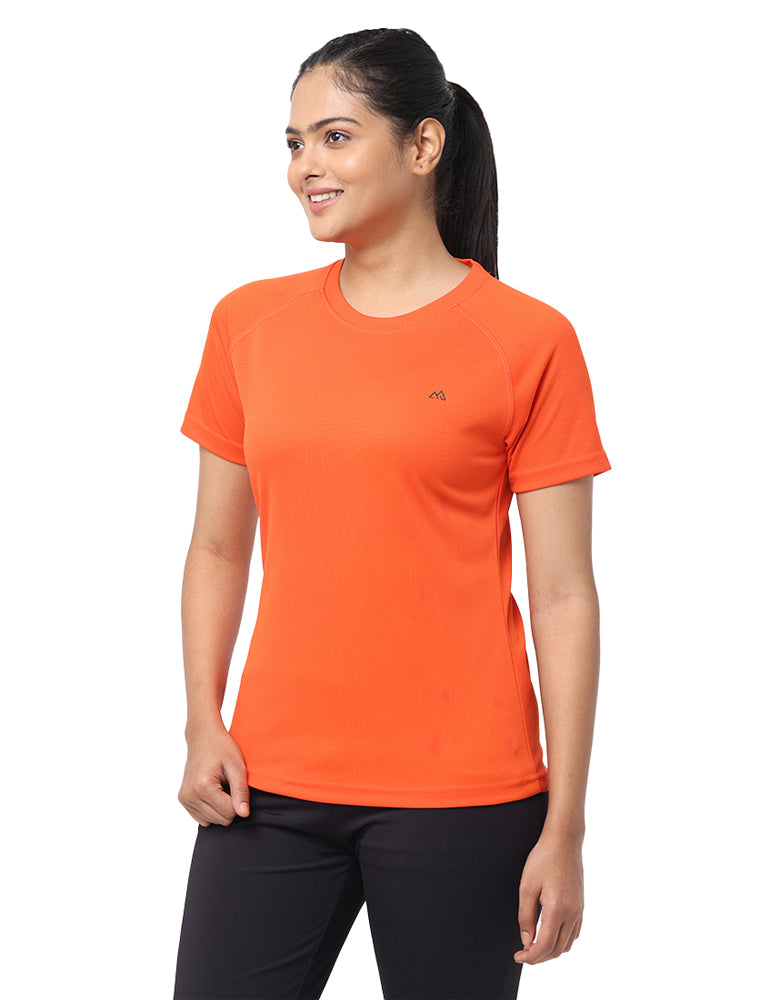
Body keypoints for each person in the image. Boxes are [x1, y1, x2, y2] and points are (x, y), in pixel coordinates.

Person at [172, 26, 611, 1000]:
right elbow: (216, 545)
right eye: (294, 143)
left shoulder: (527, 340)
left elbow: (562, 594)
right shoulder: (247, 324)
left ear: (422, 145)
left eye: (335, 137)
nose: (305, 167)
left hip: (465, 796)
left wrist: (564, 824)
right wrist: (203, 721)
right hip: (265, 787)